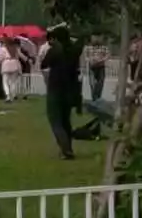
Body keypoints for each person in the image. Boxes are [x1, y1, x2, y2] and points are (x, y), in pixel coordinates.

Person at [41, 25, 82, 160]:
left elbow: (44, 64)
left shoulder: (55, 50)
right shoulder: (74, 50)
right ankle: (68, 147)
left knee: (55, 120)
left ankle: (65, 149)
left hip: (55, 88)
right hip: (69, 89)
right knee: (66, 120)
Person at [84, 35, 109, 101]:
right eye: (94, 38)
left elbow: (107, 56)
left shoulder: (104, 47)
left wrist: (101, 60)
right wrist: (90, 60)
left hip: (101, 67)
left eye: (97, 38)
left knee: (100, 82)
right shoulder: (88, 48)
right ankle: (94, 98)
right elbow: (86, 57)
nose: (95, 39)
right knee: (92, 83)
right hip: (92, 67)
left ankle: (98, 96)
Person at [0, 38, 22, 102]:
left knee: (5, 82)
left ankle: (8, 96)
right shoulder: (15, 48)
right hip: (14, 63)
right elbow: (18, 57)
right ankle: (13, 95)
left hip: (6, 64)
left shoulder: (2, 49)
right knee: (13, 82)